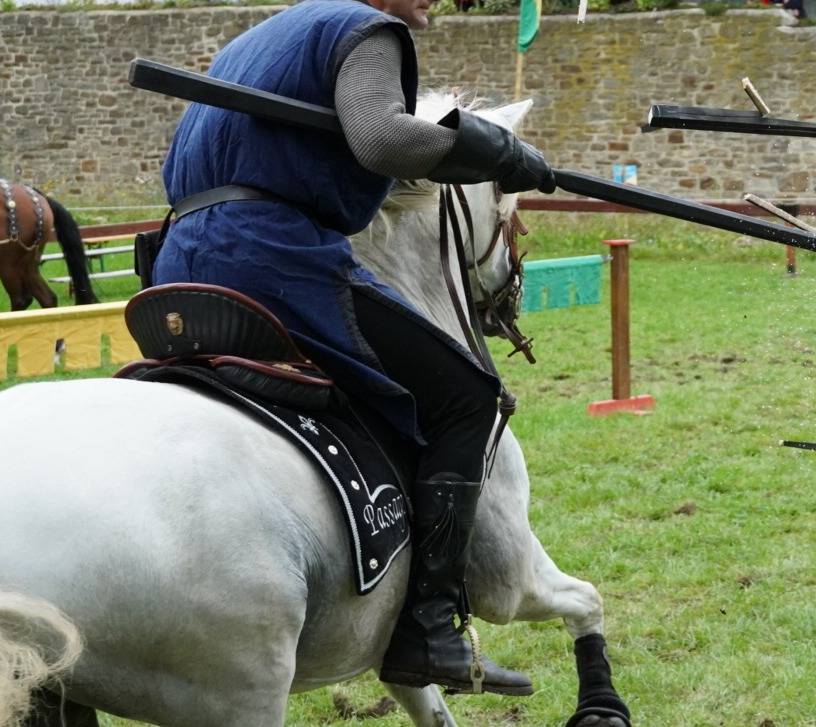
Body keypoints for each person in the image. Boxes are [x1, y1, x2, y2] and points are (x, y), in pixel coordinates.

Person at [153, 0, 555, 696]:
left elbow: (323, 156)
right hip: (272, 255)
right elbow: (383, 141)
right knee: (468, 397)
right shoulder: (366, 29)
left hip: (179, 256)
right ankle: (427, 628)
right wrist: (496, 150)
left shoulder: (252, 45)